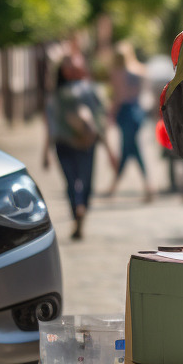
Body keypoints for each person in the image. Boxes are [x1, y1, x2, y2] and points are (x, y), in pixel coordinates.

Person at [43, 52, 116, 240]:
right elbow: (100, 120)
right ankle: (81, 208)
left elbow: (50, 124)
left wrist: (45, 151)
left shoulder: (57, 93)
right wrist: (109, 149)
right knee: (86, 182)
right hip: (86, 143)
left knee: (71, 182)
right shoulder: (90, 89)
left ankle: (77, 211)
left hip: (64, 142)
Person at [106, 41, 154, 202]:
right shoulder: (140, 70)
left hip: (125, 112)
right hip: (137, 111)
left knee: (128, 149)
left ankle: (116, 187)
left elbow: (118, 97)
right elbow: (146, 92)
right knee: (130, 148)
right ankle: (145, 187)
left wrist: (110, 115)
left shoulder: (117, 73)